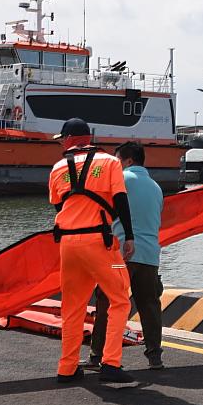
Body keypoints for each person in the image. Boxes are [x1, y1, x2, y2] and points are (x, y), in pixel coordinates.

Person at [48, 118, 138, 386]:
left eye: (62, 139)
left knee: (73, 307)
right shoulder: (110, 163)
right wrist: (129, 236)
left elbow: (58, 207)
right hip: (101, 245)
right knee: (121, 298)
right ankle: (111, 363)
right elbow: (121, 199)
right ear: (88, 138)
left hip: (68, 246)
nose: (61, 143)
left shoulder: (57, 168)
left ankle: (67, 368)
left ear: (70, 140)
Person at [86, 142, 165, 370]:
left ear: (128, 161)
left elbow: (100, 212)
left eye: (117, 160)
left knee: (107, 302)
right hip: (150, 255)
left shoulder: (120, 180)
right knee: (150, 306)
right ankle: (154, 357)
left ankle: (97, 356)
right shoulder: (156, 188)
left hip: (122, 254)